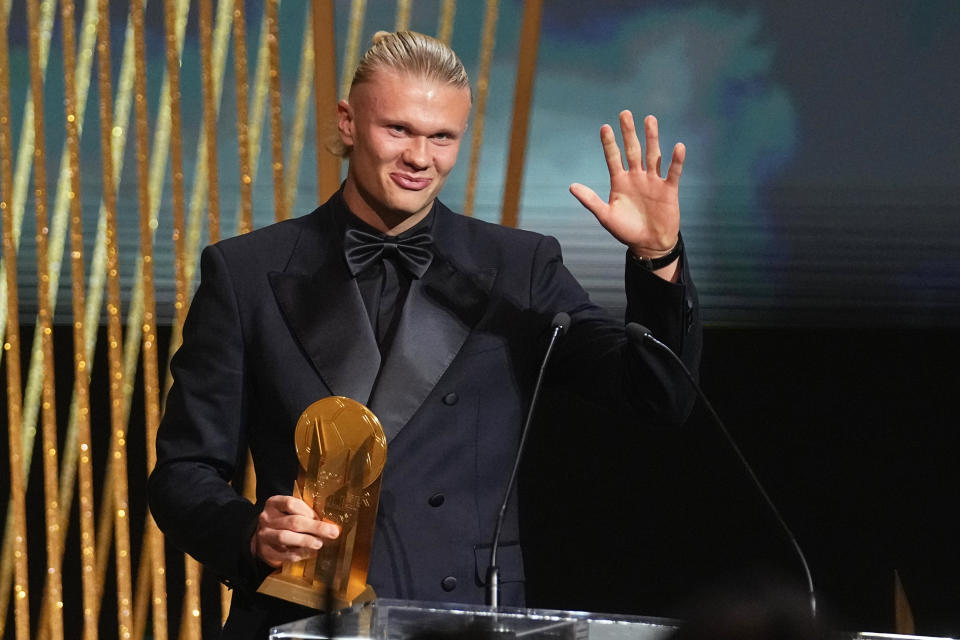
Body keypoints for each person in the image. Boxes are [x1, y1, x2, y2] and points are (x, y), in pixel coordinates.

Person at [148, 30, 702, 637]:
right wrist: (252, 533)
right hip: (300, 622)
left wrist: (657, 259)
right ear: (348, 122)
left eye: (442, 137)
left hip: (465, 621)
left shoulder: (518, 267)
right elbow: (184, 472)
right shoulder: (247, 272)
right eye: (399, 130)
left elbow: (658, 394)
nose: (420, 158)